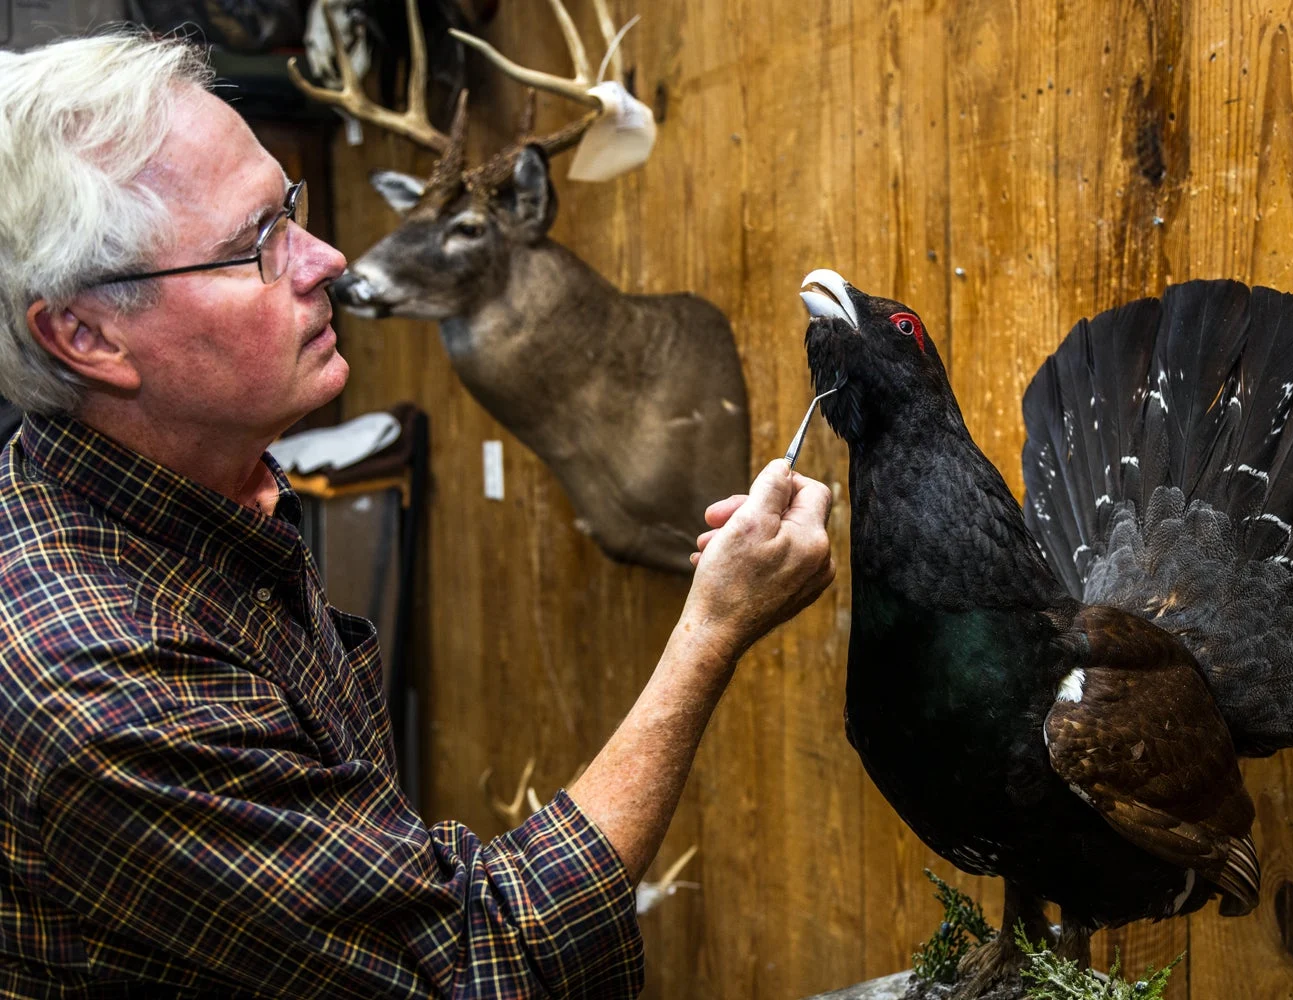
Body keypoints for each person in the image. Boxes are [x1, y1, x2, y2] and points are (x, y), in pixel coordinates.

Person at [0, 30, 834, 998]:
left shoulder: (206, 495)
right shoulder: (93, 682)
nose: (325, 259)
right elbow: (483, 962)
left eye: (292, 210)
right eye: (254, 246)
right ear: (84, 334)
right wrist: (711, 627)